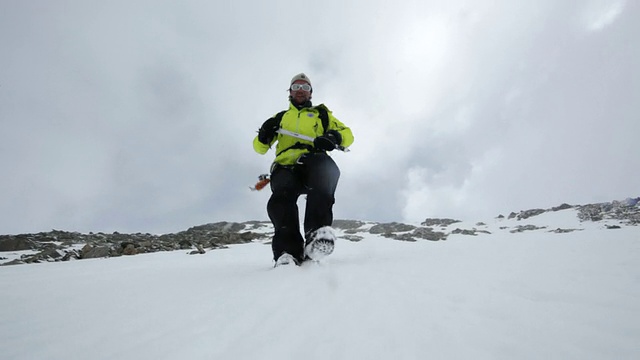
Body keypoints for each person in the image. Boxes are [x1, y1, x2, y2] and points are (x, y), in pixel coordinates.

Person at [253, 73, 354, 266]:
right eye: (297, 87)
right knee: (280, 199)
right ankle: (287, 251)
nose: (301, 91)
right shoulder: (281, 118)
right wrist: (264, 134)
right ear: (290, 91)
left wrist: (333, 137)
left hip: (312, 160)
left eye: (305, 88)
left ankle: (317, 237)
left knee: (326, 171)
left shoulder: (322, 115)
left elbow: (347, 134)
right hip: (285, 166)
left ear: (311, 93)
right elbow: (259, 148)